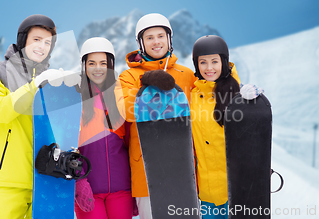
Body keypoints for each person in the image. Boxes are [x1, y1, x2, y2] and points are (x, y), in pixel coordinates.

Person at [0, 14, 78, 218]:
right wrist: (34, 86)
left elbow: (63, 130)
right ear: (23, 40)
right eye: (36, 39)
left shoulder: (54, 82)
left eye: (48, 42)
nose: (42, 46)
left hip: (48, 178)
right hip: (10, 180)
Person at [116, 13, 196, 219]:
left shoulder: (186, 75)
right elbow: (127, 111)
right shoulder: (128, 77)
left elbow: (202, 108)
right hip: (147, 169)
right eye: (149, 37)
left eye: (160, 35)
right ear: (141, 44)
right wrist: (148, 84)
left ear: (169, 39)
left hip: (183, 168)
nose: (156, 42)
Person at [190, 35, 263, 219]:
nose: (209, 68)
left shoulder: (239, 94)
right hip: (207, 192)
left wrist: (253, 103)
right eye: (203, 62)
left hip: (237, 188)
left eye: (214, 61)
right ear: (196, 65)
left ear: (224, 61)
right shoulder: (192, 97)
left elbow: (255, 137)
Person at [74, 37, 134, 219]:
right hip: (89, 190)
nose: (98, 68)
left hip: (121, 189)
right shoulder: (75, 98)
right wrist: (79, 182)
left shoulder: (121, 94)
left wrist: (135, 186)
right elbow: (68, 146)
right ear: (84, 66)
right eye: (92, 63)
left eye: (103, 63)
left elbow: (132, 142)